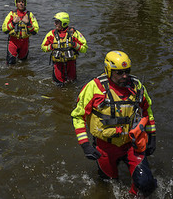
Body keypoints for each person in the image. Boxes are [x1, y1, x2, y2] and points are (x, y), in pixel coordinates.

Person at [71, 51, 157, 197]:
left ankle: (131, 195)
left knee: (146, 185)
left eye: (127, 72)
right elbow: (78, 116)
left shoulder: (137, 86)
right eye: (119, 73)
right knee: (108, 184)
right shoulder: (94, 88)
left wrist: (152, 136)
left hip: (132, 144)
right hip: (105, 146)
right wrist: (85, 145)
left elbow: (147, 110)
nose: (125, 76)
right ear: (108, 71)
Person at [40, 12, 87, 85]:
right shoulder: (51, 34)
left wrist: (74, 44)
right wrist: (51, 46)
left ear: (64, 23)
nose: (55, 24)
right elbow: (43, 47)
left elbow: (84, 49)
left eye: (57, 22)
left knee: (72, 84)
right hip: (58, 65)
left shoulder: (74, 33)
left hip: (71, 65)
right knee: (58, 87)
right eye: (55, 22)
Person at [2, 0, 39, 64]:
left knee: (23, 63)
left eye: (22, 2)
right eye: (19, 2)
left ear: (25, 3)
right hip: (13, 41)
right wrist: (13, 22)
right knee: (11, 63)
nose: (21, 3)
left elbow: (35, 31)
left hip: (25, 42)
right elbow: (4, 30)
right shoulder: (11, 14)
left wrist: (28, 23)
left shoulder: (29, 15)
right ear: (16, 4)